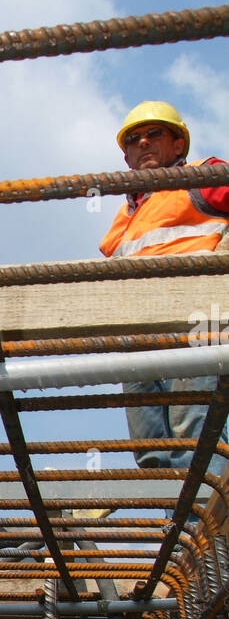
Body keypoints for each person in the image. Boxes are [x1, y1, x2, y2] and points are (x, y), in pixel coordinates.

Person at [99, 101, 229, 488]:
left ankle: (207, 537)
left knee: (195, 433)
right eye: (135, 140)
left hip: (197, 323)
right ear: (126, 157)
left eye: (154, 134)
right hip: (140, 338)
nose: (144, 144)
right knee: (150, 447)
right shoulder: (123, 220)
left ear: (178, 145)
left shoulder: (201, 178)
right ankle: (175, 531)